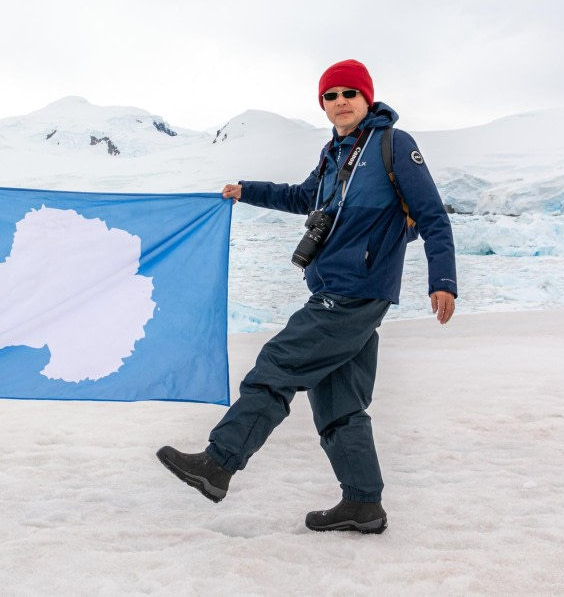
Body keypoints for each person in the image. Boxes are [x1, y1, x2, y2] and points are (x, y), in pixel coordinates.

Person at [156, 59, 457, 534]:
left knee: (277, 366)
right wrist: (247, 190)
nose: (339, 102)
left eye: (349, 94)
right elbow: (303, 198)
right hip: (338, 286)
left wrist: (443, 279)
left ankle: (218, 463)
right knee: (339, 403)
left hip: (354, 289)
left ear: (367, 98)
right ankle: (362, 503)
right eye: (330, 96)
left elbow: (433, 216)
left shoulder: (393, 146)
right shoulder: (334, 153)